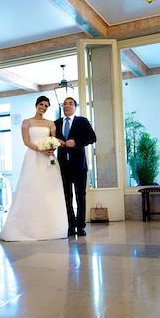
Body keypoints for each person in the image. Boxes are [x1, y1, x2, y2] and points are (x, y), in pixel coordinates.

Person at [0, 96, 68, 241]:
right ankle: (26, 228)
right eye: (41, 104)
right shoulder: (26, 122)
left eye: (46, 105)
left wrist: (50, 148)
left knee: (49, 191)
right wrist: (40, 149)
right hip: (32, 158)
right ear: (36, 105)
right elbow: (26, 141)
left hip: (48, 159)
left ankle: (52, 228)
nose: (43, 107)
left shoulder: (50, 123)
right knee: (31, 189)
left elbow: (53, 140)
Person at [55, 97, 97, 237]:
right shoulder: (57, 123)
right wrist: (57, 141)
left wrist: (76, 142)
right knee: (67, 196)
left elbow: (92, 138)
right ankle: (70, 226)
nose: (67, 106)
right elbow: (51, 139)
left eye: (70, 103)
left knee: (80, 196)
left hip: (79, 166)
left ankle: (81, 226)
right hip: (63, 166)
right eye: (64, 104)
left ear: (75, 107)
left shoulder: (82, 121)